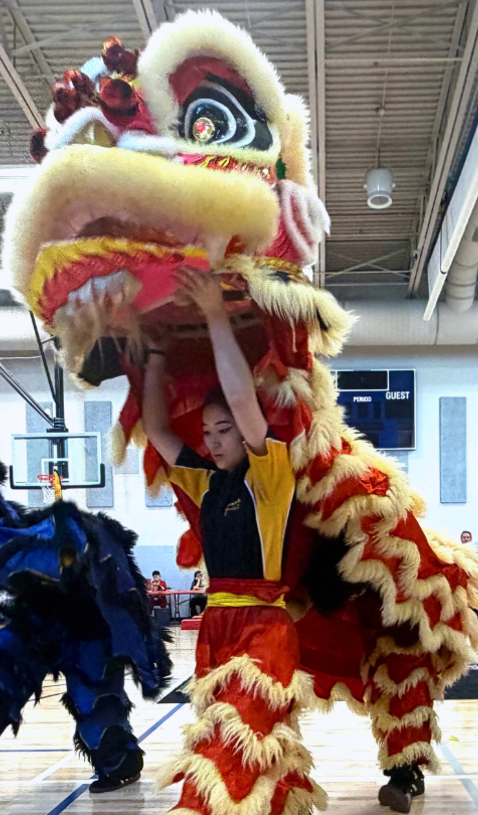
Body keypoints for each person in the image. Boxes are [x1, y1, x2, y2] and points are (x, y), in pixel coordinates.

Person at [141, 268, 327, 813]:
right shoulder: (204, 481)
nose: (215, 441)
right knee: (242, 748)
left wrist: (216, 317)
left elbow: (245, 406)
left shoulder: (269, 476)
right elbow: (157, 431)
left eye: (224, 431)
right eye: (208, 433)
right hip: (215, 628)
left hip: (264, 629)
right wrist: (154, 356)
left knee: (235, 743)